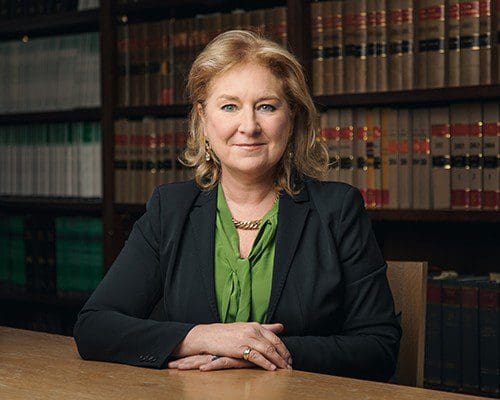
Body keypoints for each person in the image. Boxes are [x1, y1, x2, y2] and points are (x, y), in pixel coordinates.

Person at [73, 30, 401, 381]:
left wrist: (261, 352)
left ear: (291, 117)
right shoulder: (170, 209)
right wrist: (199, 336)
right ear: (203, 118)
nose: (249, 126)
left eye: (266, 106)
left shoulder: (338, 209)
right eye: (229, 106)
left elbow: (379, 347)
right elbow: (94, 327)